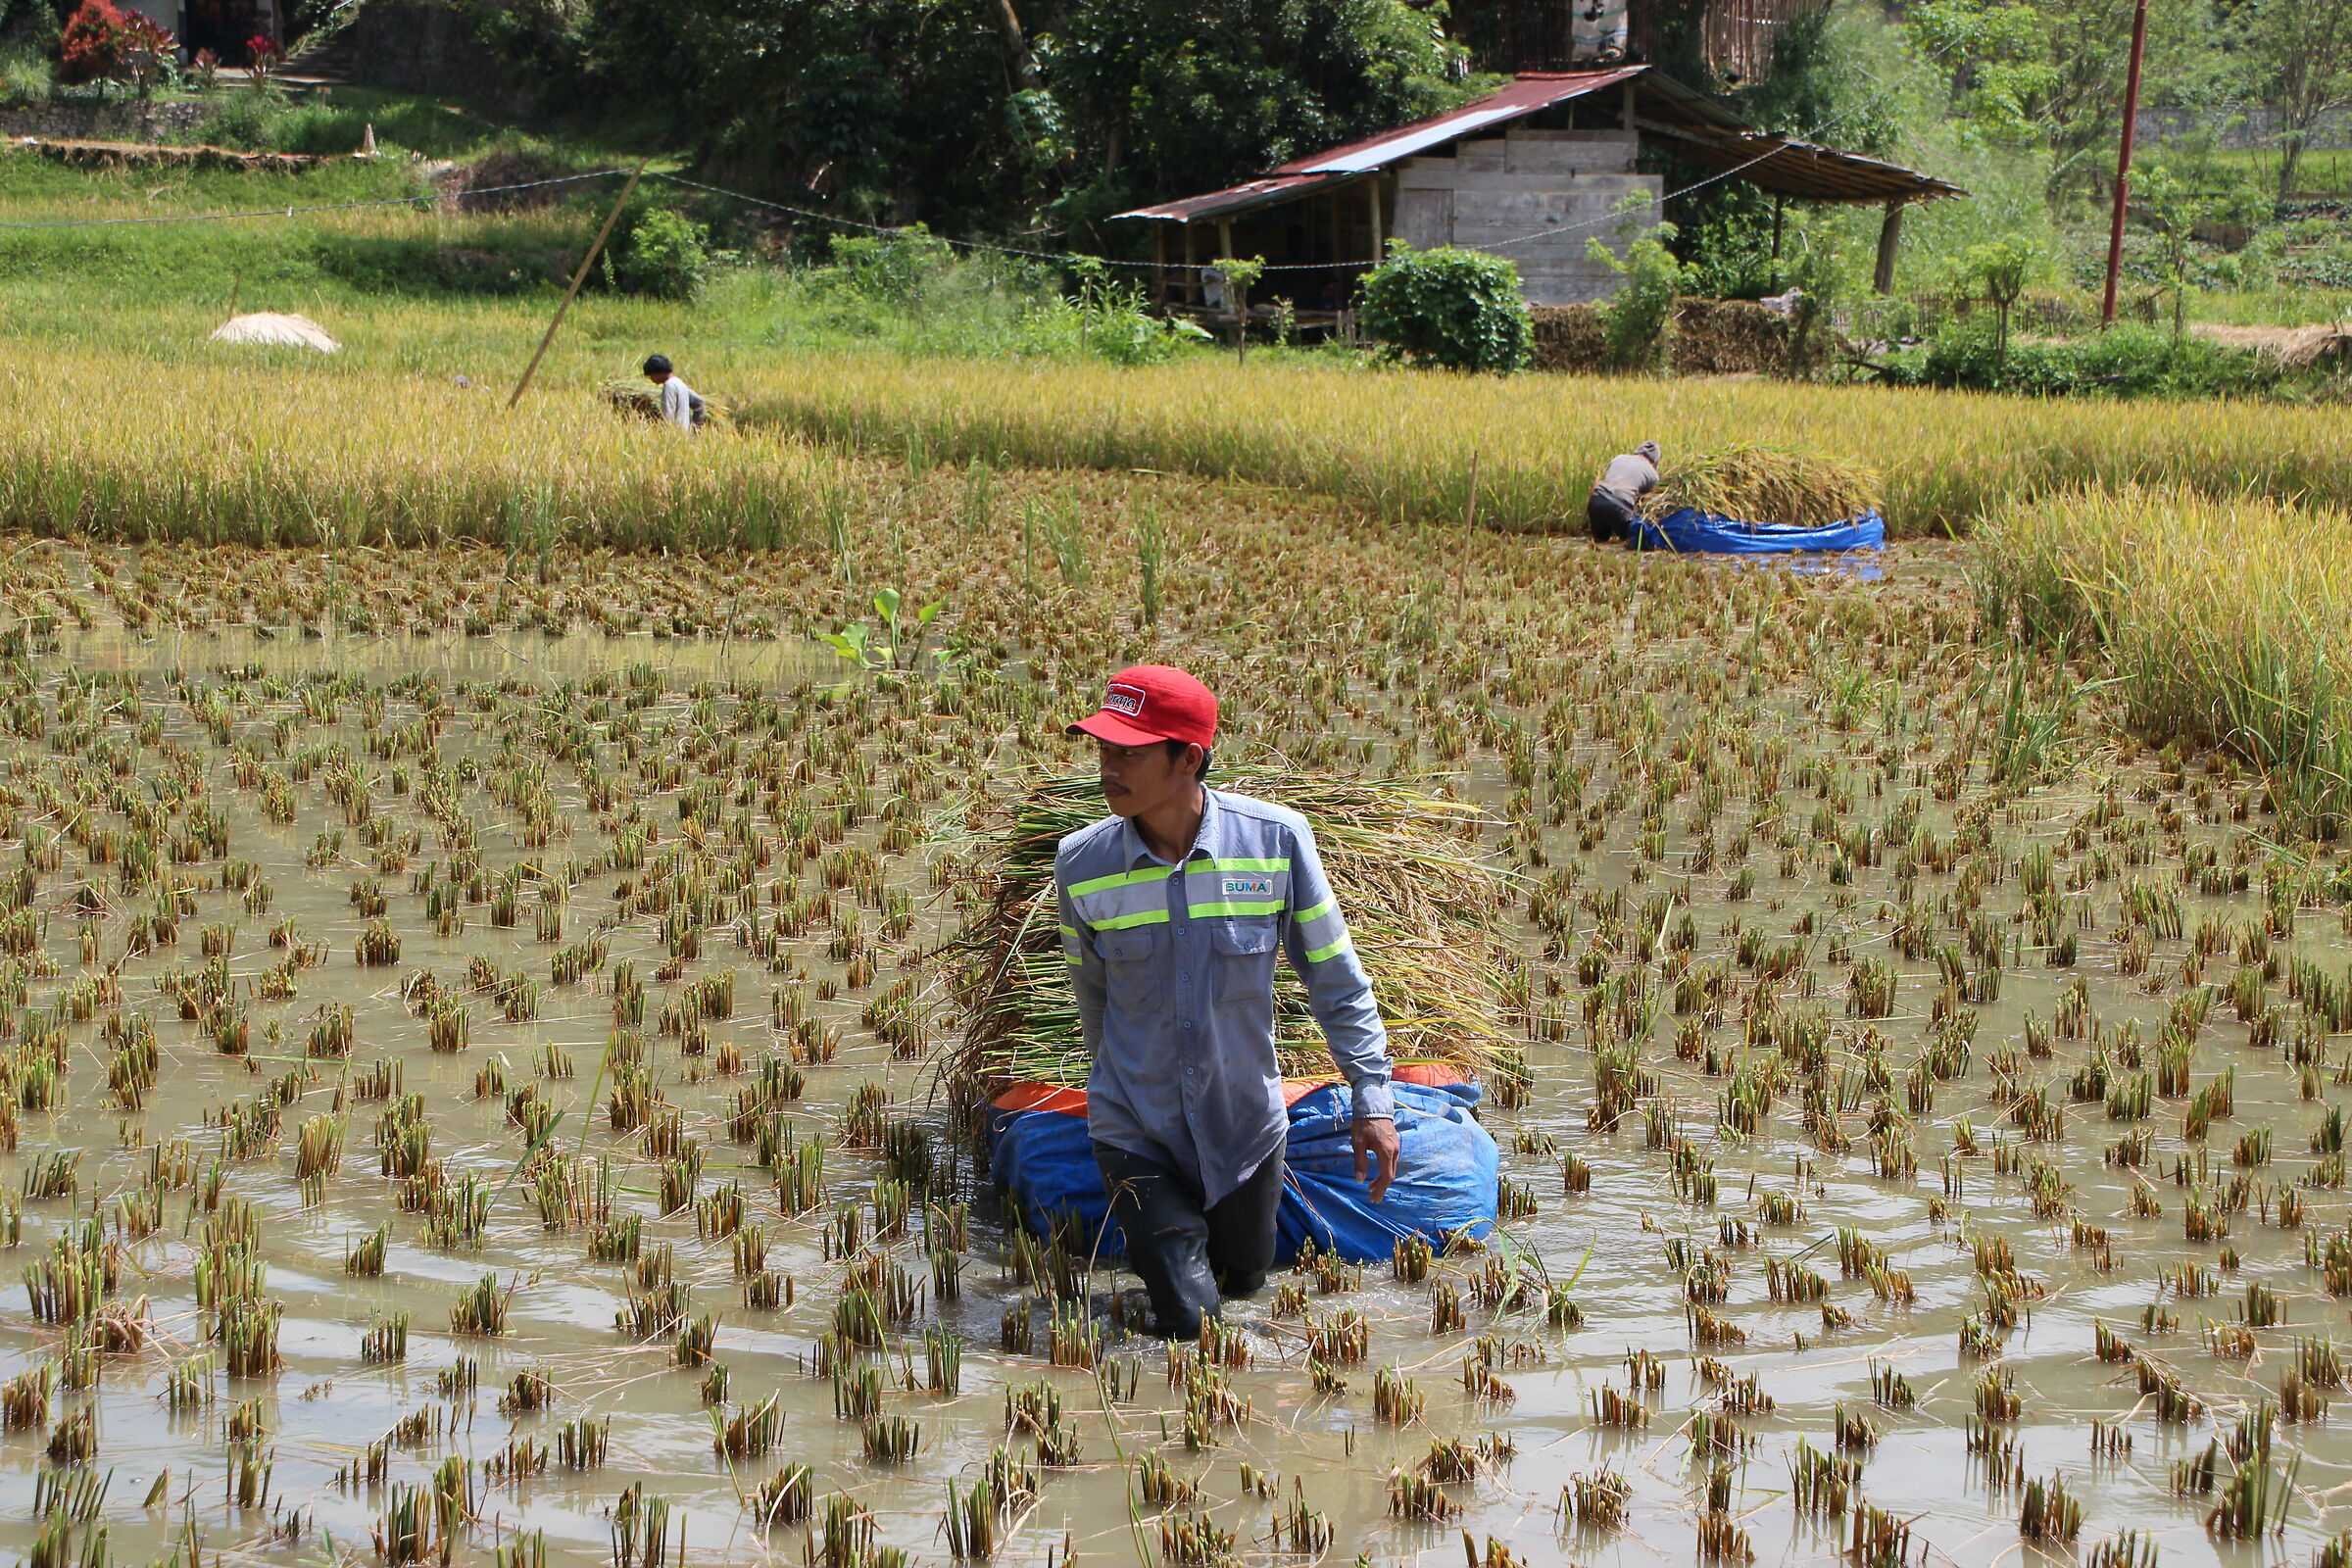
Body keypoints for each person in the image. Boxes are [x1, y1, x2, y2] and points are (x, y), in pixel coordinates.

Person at [1056, 665, 1401, 1340]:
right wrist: (1113, 1094)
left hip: (1243, 1123)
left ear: (1188, 759)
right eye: (1102, 747)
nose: (1108, 766)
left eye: (1128, 750)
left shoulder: (1276, 843)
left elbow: (1334, 976)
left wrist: (1373, 1099)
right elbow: (1091, 997)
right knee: (1194, 1322)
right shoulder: (1080, 864)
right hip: (1136, 1128)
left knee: (1244, 1278)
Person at [1587, 439, 1661, 543]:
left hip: (1596, 498)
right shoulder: (1653, 475)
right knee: (1632, 543)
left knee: (1600, 543)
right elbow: (1644, 502)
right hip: (1619, 505)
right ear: (1655, 461)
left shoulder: (1619, 458)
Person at [642, 354, 703, 432]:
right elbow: (699, 402)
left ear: (657, 373)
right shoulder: (679, 383)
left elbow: (668, 415)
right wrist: (696, 427)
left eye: (652, 375)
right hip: (685, 434)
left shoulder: (669, 386)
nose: (651, 379)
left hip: (675, 435)